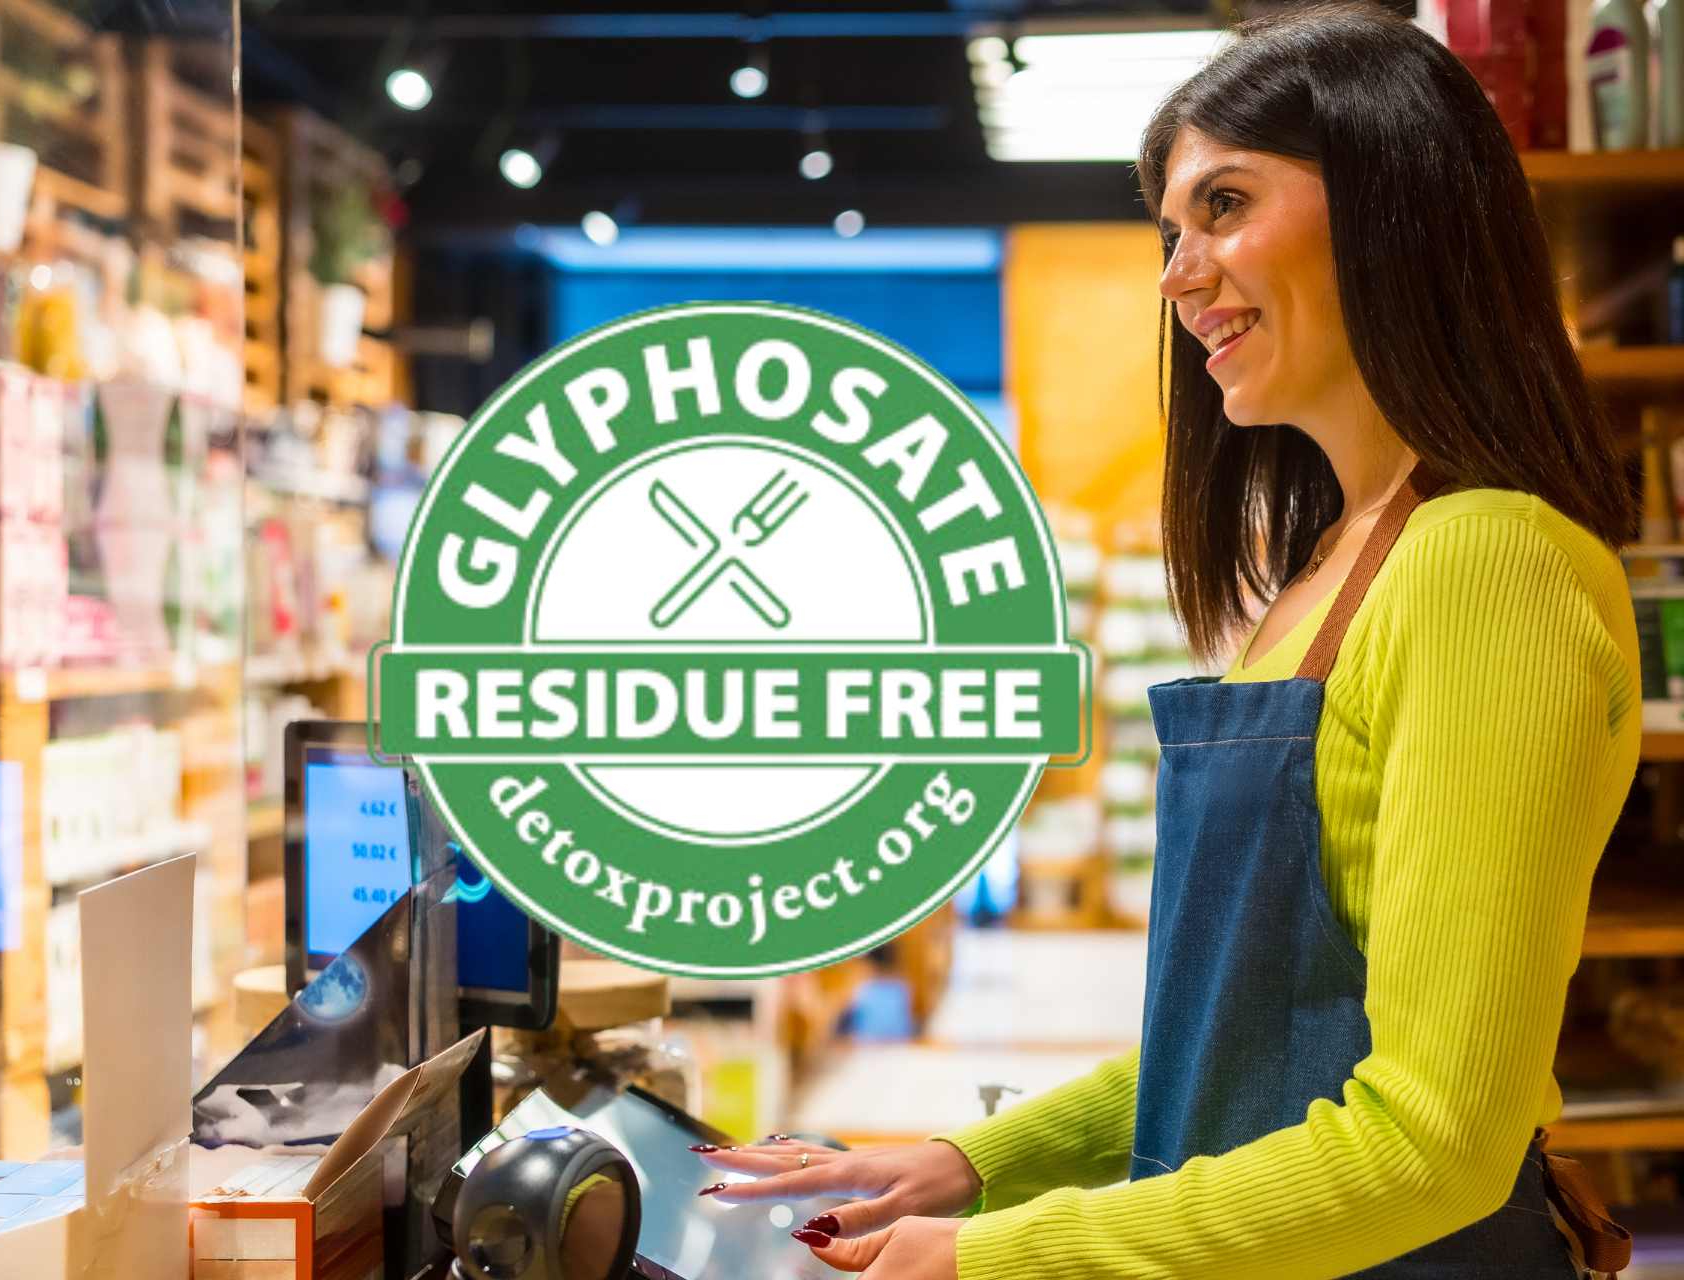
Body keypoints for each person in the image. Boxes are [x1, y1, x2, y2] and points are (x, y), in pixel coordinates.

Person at [691, 4, 1642, 1276]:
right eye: (1170, 230)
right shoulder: (1332, 571)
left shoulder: (1488, 565)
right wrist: (975, 1163)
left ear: (1390, 199)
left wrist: (998, 1253)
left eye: (1226, 204)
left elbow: (1435, 1137)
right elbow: (1243, 1038)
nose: (1176, 274)